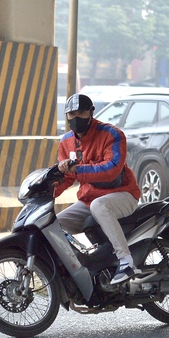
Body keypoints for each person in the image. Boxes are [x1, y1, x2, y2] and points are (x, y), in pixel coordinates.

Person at [55, 94, 142, 285]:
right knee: (53, 225)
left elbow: (111, 169)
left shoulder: (112, 134)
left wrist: (78, 169)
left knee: (99, 205)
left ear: (91, 113)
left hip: (123, 194)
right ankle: (79, 268)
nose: (77, 117)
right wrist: (44, 192)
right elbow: (66, 177)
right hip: (88, 200)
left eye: (83, 112)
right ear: (67, 116)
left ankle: (126, 262)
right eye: (72, 114)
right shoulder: (66, 142)